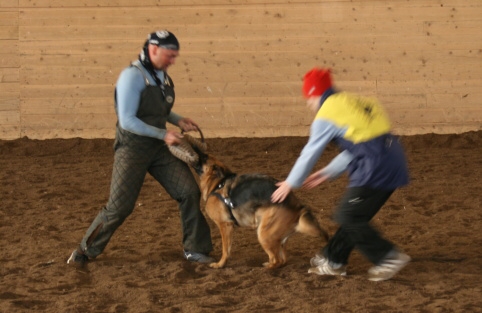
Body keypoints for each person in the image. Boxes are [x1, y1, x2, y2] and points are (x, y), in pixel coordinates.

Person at [67, 30, 214, 265]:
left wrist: (178, 120)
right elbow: (128, 120)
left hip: (158, 147)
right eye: (170, 55)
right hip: (132, 148)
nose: (173, 61)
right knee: (119, 207)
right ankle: (85, 250)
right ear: (153, 49)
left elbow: (159, 111)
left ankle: (195, 249)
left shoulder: (161, 76)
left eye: (175, 56)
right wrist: (163, 133)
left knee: (189, 192)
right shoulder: (131, 77)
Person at [271, 68, 411, 281]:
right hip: (393, 159)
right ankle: (333, 259)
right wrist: (329, 171)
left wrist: (291, 182)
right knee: (355, 215)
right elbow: (362, 141)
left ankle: (386, 257)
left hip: (375, 167)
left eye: (308, 98)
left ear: (315, 94)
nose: (309, 104)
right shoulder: (352, 101)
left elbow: (310, 152)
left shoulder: (326, 114)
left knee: (348, 215)